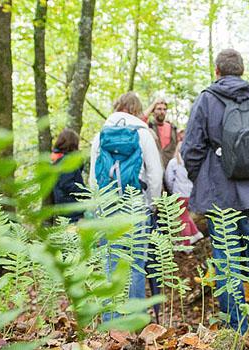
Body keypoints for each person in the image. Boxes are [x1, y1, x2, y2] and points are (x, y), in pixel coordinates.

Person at [181, 48, 249, 333]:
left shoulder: (206, 100)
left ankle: (235, 328)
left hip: (220, 197)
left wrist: (202, 178)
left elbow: (190, 149)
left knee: (227, 261)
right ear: (242, 71)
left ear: (217, 71)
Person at [88, 92, 163, 319]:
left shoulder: (100, 135)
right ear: (137, 110)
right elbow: (156, 175)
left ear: (117, 106)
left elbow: (93, 178)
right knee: (136, 265)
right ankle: (135, 324)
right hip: (136, 205)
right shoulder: (143, 133)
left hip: (108, 206)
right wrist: (153, 204)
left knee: (111, 263)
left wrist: (97, 206)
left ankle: (111, 325)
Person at [164, 141, 204, 246]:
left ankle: (186, 244)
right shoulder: (193, 161)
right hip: (191, 193)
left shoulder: (174, 162)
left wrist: (171, 191)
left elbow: (169, 178)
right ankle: (196, 233)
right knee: (185, 215)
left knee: (183, 219)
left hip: (179, 194)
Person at [51, 128, 87, 223]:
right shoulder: (67, 161)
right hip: (71, 208)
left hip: (63, 205)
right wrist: (87, 193)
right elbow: (67, 184)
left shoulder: (57, 158)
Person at [146, 98, 178, 168]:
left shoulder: (173, 128)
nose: (162, 111)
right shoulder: (148, 127)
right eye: (159, 109)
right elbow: (141, 119)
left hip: (169, 168)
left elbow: (177, 145)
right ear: (153, 111)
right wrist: (153, 104)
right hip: (153, 168)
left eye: (164, 109)